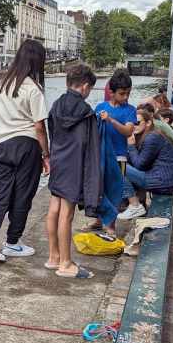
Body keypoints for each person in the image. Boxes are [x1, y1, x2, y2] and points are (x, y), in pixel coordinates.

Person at [0, 39, 50, 263]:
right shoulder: (32, 88)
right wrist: (47, 156)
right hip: (26, 145)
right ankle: (12, 243)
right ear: (37, 61)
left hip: (3, 145)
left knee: (2, 194)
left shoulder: (0, 84)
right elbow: (39, 127)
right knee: (23, 195)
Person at [46, 62, 100, 278]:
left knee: (54, 209)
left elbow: (52, 132)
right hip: (74, 164)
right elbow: (88, 145)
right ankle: (66, 264)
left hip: (58, 161)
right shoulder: (86, 112)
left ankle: (54, 257)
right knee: (66, 214)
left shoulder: (56, 105)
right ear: (86, 86)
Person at [93, 70, 141, 221]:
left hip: (119, 156)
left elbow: (127, 132)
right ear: (112, 93)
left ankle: (111, 227)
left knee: (115, 191)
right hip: (102, 155)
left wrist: (111, 120)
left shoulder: (130, 109)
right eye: (122, 93)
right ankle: (97, 221)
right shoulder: (101, 106)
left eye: (128, 93)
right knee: (100, 189)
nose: (126, 97)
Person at [125, 107, 173, 198]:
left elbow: (139, 165)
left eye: (137, 123)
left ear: (148, 123)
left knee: (119, 167)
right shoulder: (148, 134)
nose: (134, 126)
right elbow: (134, 160)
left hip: (163, 183)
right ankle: (140, 201)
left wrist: (131, 146)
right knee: (123, 164)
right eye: (132, 123)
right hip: (165, 181)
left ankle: (134, 204)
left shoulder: (152, 137)